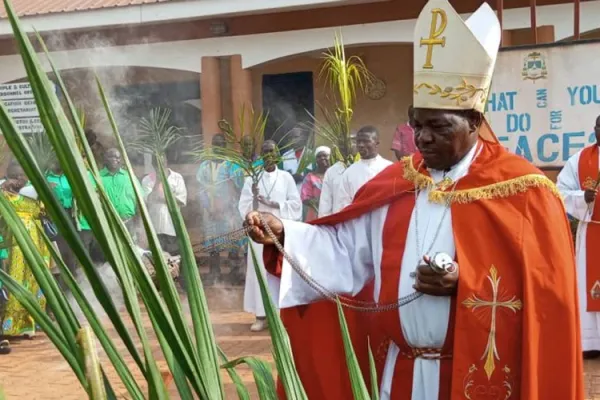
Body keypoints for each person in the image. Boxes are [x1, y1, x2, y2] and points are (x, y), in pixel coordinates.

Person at [245, 1, 583, 399]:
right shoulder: (396, 185)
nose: (422, 138)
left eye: (438, 126)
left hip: (480, 376)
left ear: (474, 121)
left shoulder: (523, 191)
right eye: (417, 124)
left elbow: (548, 299)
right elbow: (345, 252)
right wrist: (286, 234)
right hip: (399, 373)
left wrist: (465, 283)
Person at [238, 140, 301, 332]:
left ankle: (281, 315)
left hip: (280, 232)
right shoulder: (251, 180)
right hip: (259, 235)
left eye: (272, 151)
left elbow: (296, 205)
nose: (268, 155)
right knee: (260, 274)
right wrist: (255, 201)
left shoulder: (286, 178)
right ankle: (261, 315)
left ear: (277, 153)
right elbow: (243, 207)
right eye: (265, 151)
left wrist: (273, 204)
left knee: (281, 272)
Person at [557, 114, 600, 359]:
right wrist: (581, 198)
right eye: (598, 126)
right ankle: (591, 341)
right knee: (588, 286)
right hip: (592, 228)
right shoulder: (580, 159)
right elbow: (560, 191)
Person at [0, 161, 51, 341]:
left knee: (34, 282)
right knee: (14, 284)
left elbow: (46, 213)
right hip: (12, 247)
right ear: (7, 175)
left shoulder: (33, 192)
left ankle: (30, 324)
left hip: (36, 245)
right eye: (14, 176)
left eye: (21, 176)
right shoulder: (2, 192)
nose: (18, 180)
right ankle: (10, 327)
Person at [196, 134, 244, 284]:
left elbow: (239, 188)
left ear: (225, 147)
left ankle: (234, 274)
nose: (218, 148)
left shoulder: (233, 165)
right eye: (215, 145)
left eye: (221, 145)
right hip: (210, 212)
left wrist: (226, 207)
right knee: (213, 245)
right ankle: (214, 273)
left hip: (229, 212)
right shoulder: (204, 166)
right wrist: (209, 208)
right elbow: (200, 190)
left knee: (232, 244)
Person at [46, 159, 98, 272]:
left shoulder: (70, 176)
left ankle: (75, 277)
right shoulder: (46, 177)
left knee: (74, 247)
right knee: (59, 247)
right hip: (55, 215)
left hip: (72, 214)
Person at [337, 125, 393, 210]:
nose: (361, 145)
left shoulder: (389, 168)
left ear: (377, 143)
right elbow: (343, 203)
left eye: (366, 141)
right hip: (357, 221)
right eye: (358, 141)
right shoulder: (349, 173)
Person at [142, 154, 187, 256]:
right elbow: (148, 200)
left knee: (174, 260)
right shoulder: (147, 180)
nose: (160, 166)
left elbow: (182, 200)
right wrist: (158, 180)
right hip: (154, 228)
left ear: (166, 161)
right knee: (157, 258)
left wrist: (163, 197)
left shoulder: (177, 178)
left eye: (162, 162)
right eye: (156, 163)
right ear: (153, 164)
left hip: (172, 227)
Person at [100, 148, 140, 239]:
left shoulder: (129, 177)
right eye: (112, 157)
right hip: (108, 223)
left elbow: (139, 201)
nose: (115, 160)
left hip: (129, 223)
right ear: (105, 159)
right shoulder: (98, 177)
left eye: (118, 157)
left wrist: (138, 224)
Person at [317, 133, 358, 217]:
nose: (348, 146)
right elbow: (325, 203)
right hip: (339, 222)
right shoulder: (331, 172)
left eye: (353, 142)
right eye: (342, 144)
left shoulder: (365, 168)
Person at [300, 146, 330, 222]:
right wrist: (320, 202)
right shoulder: (310, 177)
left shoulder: (335, 175)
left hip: (333, 212)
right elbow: (305, 198)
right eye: (319, 156)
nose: (322, 158)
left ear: (330, 157)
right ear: (316, 160)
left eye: (325, 155)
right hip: (315, 214)